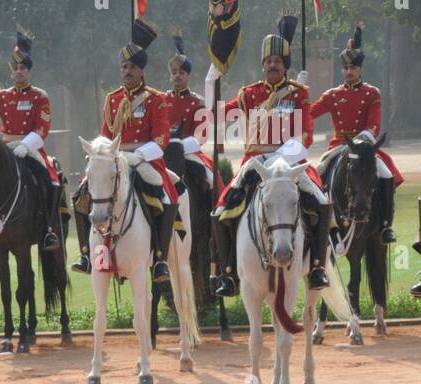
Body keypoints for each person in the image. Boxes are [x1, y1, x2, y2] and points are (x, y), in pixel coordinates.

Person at [211, 16, 330, 297]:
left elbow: (306, 136)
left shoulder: (298, 94)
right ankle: (227, 273)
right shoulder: (250, 94)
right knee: (221, 208)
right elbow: (220, 113)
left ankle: (316, 266)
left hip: (289, 164)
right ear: (262, 65)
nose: (272, 65)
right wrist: (210, 91)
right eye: (268, 61)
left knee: (322, 202)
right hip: (254, 163)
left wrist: (282, 159)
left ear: (284, 65)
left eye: (277, 61)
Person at [71, 19, 178, 283]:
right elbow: (106, 135)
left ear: (141, 70)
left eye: (132, 67)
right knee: (81, 195)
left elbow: (162, 137)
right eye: (124, 66)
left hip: (143, 158)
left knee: (168, 197)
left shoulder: (156, 99)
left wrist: (139, 155)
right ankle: (87, 255)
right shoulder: (113, 99)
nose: (127, 71)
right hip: (113, 159)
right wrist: (100, 153)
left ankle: (161, 259)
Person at [0, 29, 65, 251]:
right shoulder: (2, 96)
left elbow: (42, 128)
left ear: (29, 71)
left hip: (30, 147)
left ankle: (48, 229)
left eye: (23, 69)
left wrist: (26, 145)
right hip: (6, 148)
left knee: (51, 179)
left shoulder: (40, 96)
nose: (19, 72)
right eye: (16, 68)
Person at [310, 25, 402, 245]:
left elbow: (373, 127)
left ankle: (386, 226)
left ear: (360, 69)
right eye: (346, 68)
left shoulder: (372, 93)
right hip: (338, 146)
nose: (349, 71)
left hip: (365, 147)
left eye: (353, 67)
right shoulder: (332, 95)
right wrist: (301, 95)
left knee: (386, 174)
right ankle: (322, 225)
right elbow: (309, 113)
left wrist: (361, 143)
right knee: (316, 176)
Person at [165, 34, 214, 190]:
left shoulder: (198, 102)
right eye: (174, 73)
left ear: (188, 76)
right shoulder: (160, 101)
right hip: (162, 150)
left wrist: (177, 147)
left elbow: (201, 136)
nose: (177, 76)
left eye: (181, 73)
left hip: (188, 151)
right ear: (170, 77)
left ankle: (217, 211)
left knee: (212, 178)